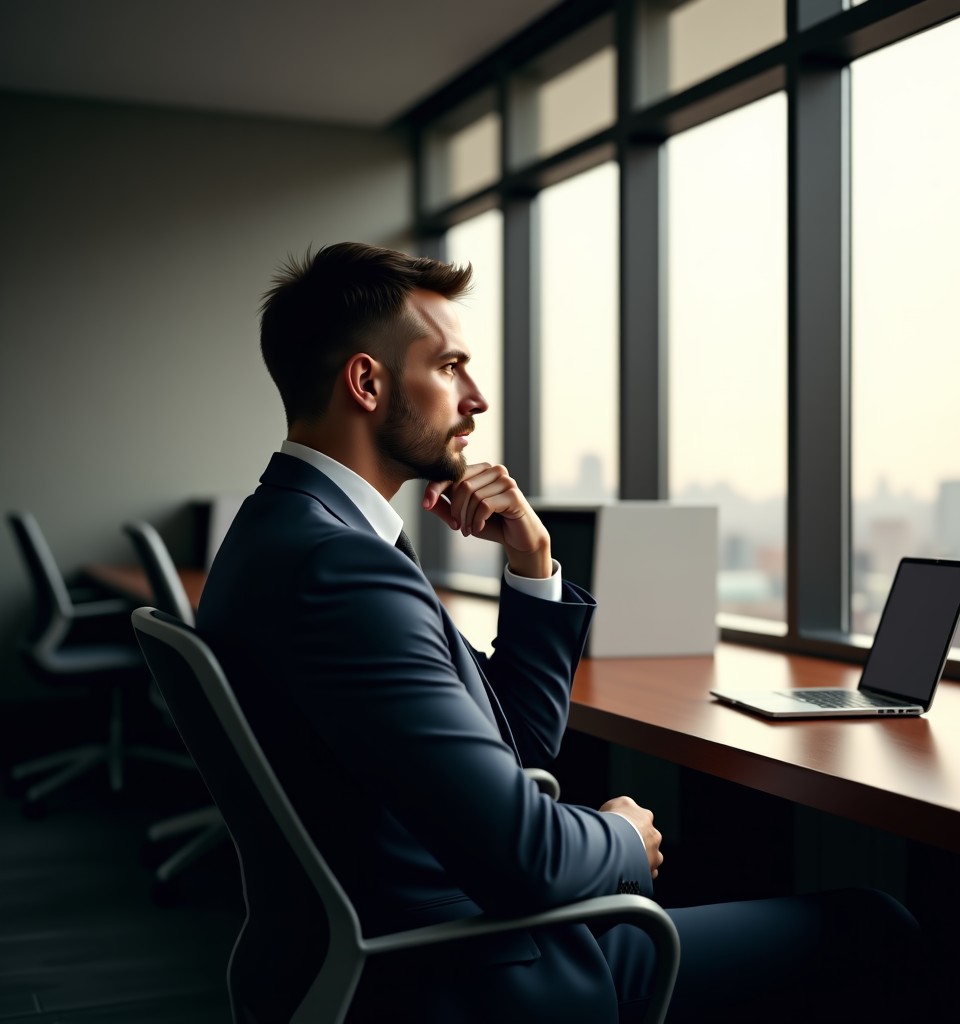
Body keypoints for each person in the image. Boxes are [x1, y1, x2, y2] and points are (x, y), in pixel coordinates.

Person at [197, 242, 921, 1023]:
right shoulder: (341, 569)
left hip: (395, 940)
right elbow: (528, 862)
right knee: (877, 926)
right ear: (367, 383)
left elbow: (516, 744)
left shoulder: (284, 532)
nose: (475, 398)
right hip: (466, 969)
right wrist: (619, 838)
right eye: (449, 367)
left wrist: (533, 561)